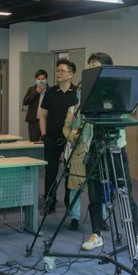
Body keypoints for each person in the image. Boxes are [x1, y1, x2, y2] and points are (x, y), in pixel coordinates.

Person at [79, 52, 138, 251]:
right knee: (94, 195)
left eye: (95, 66)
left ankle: (135, 235)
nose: (91, 69)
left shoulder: (119, 88)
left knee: (124, 192)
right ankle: (96, 233)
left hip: (115, 148)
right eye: (89, 66)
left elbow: (126, 113)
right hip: (93, 147)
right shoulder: (86, 89)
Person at [40, 60, 78, 214]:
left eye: (62, 71)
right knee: (51, 172)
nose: (58, 73)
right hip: (51, 137)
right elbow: (42, 116)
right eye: (57, 70)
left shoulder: (76, 92)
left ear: (71, 74)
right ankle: (49, 203)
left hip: (70, 139)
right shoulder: (50, 92)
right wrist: (44, 135)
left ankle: (69, 205)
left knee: (69, 173)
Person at [62, 85, 86, 232]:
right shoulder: (72, 109)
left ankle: (101, 218)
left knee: (100, 188)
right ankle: (75, 217)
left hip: (94, 151)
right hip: (77, 152)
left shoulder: (98, 109)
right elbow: (65, 129)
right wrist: (72, 136)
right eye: (79, 90)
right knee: (74, 187)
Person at [22, 69, 48, 142]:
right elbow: (25, 101)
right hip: (34, 121)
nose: (40, 81)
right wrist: (36, 92)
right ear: (36, 79)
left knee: (46, 141)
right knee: (33, 141)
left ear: (46, 79)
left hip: (46, 121)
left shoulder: (50, 90)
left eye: (42, 79)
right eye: (38, 79)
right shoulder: (31, 89)